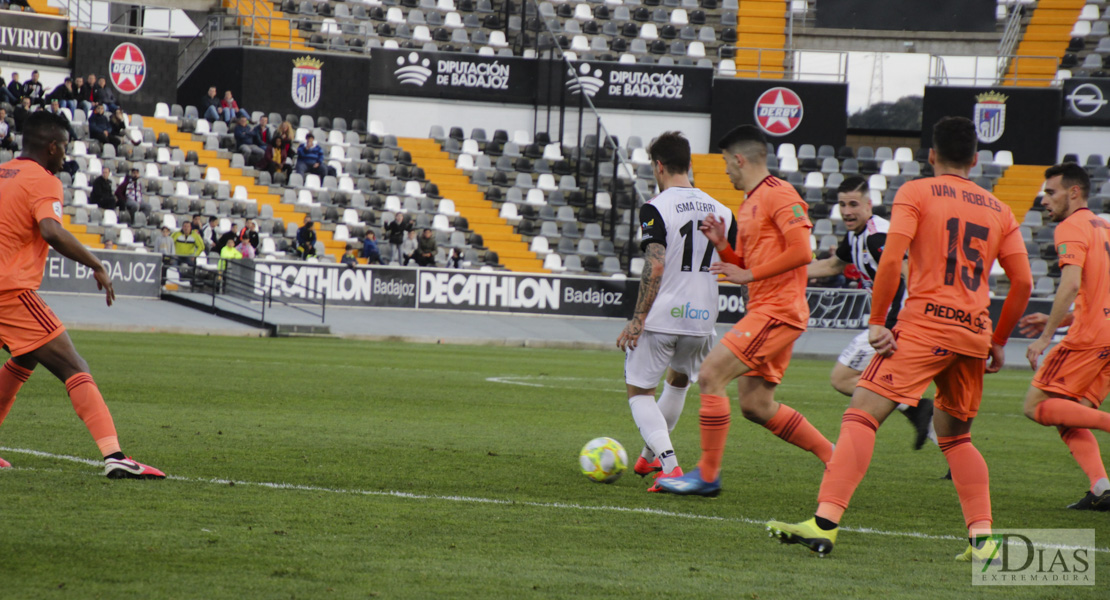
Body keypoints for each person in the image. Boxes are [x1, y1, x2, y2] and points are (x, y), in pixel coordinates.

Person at [765, 116, 1033, 561]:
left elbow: (891, 259)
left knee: (861, 415)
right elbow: (1021, 283)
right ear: (975, 159)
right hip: (973, 333)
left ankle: (825, 523)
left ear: (931, 155)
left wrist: (876, 321)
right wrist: (999, 340)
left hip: (925, 324)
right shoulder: (999, 209)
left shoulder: (917, 192)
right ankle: (983, 541)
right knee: (956, 438)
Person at [655, 125, 832, 497]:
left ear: (739, 159)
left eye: (725, 163)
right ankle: (836, 457)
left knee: (710, 374)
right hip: (768, 309)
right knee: (756, 404)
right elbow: (747, 264)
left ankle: (707, 474)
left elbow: (802, 253)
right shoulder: (749, 203)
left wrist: (748, 272)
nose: (725, 172)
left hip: (778, 311)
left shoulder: (779, 195)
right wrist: (722, 246)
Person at [0, 111, 164, 478]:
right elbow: (51, 231)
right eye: (64, 150)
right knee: (75, 367)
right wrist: (97, 264)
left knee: (25, 360)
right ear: (52, 146)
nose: (65, 158)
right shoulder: (42, 180)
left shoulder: (3, 172)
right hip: (9, 292)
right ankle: (115, 455)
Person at [616, 131, 736, 492]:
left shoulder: (656, 206)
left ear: (659, 165)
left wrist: (637, 320)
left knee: (639, 392)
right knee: (678, 381)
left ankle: (669, 465)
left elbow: (655, 264)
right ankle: (650, 454)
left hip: (664, 315)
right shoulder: (723, 210)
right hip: (703, 317)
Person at [805, 176, 934, 448]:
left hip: (893, 325)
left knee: (842, 378)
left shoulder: (877, 236)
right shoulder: (856, 236)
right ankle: (927, 422)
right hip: (890, 324)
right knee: (877, 385)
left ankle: (910, 409)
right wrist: (785, 274)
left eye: (853, 204)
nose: (847, 211)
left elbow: (907, 268)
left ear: (868, 204)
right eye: (842, 205)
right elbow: (831, 266)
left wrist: (916, 314)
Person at [1021, 163, 1110, 511]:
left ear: (1074, 192)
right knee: (1069, 413)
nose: (1045, 200)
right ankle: (1102, 488)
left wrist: (1045, 337)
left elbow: (1071, 284)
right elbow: (1098, 293)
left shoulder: (1071, 228)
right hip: (1105, 333)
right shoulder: (1104, 226)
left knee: (1034, 406)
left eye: (1051, 192)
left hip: (1088, 338)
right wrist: (1061, 318)